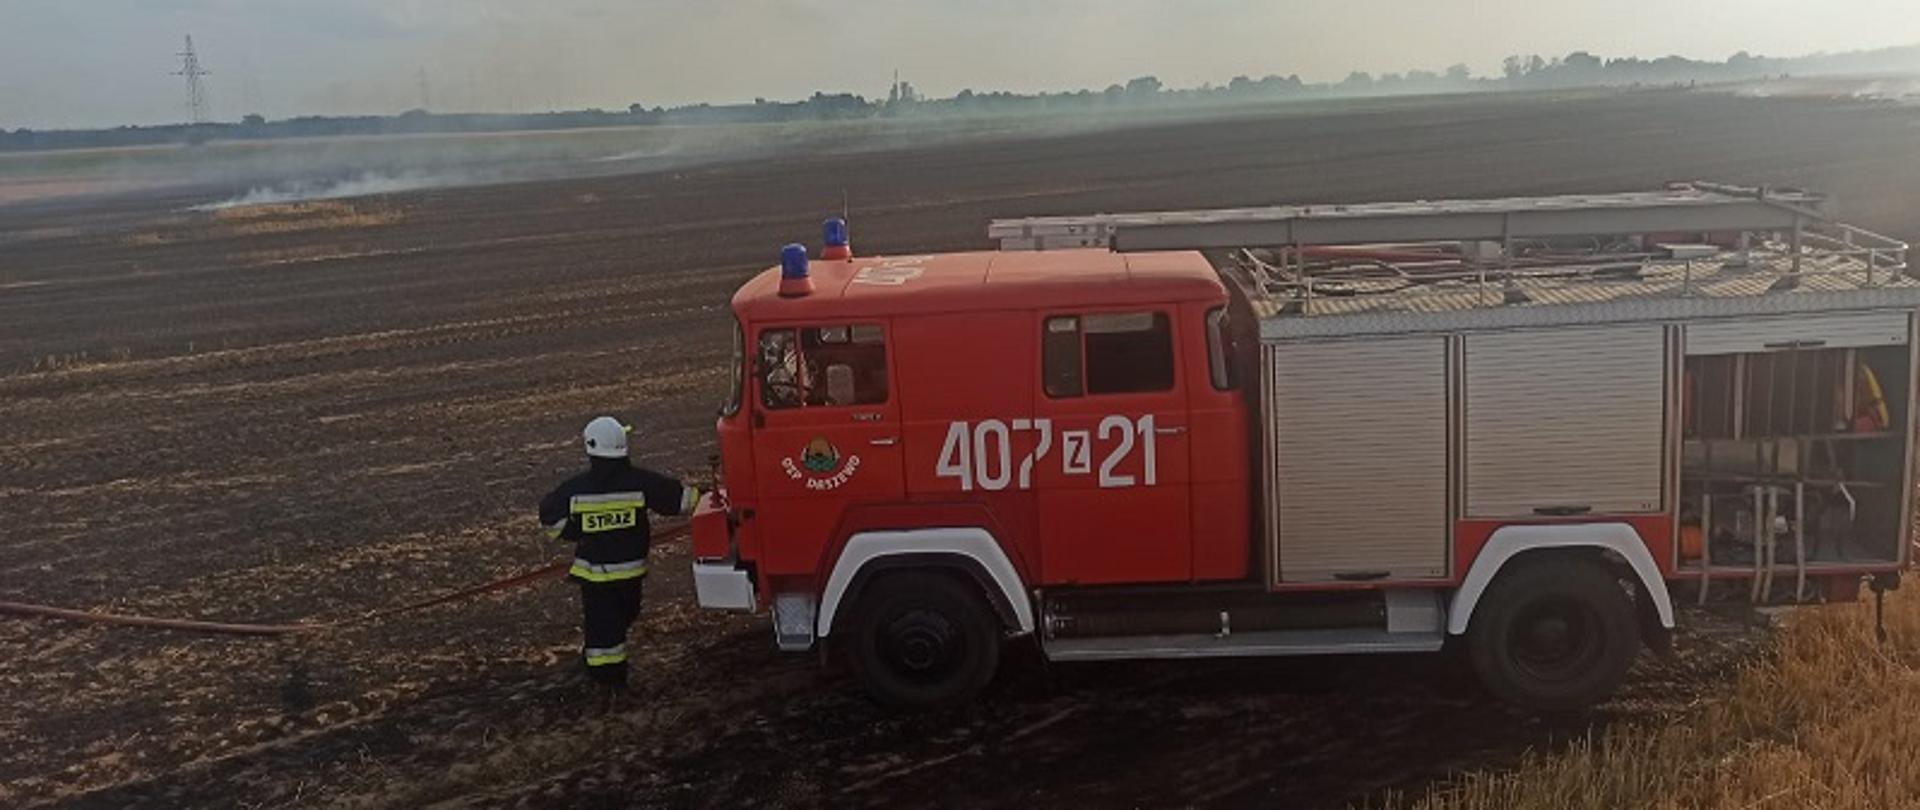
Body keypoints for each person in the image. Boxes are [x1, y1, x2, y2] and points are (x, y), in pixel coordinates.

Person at [538, 416, 699, 693]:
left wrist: (575, 531)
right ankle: (608, 681)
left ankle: (604, 676)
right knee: (617, 623)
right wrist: (713, 495)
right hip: (630, 574)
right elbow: (679, 500)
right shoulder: (641, 482)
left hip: (595, 577)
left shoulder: (575, 489)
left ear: (590, 447)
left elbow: (549, 518)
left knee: (604, 628)